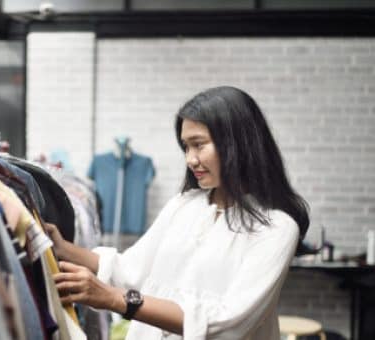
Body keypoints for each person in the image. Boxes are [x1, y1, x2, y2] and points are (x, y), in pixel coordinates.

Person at [44, 86, 309, 340]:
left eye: (199, 145)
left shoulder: (276, 227)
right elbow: (131, 270)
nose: (190, 159)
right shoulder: (184, 205)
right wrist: (65, 249)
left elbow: (230, 323)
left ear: (237, 144)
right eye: (186, 147)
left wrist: (115, 299)